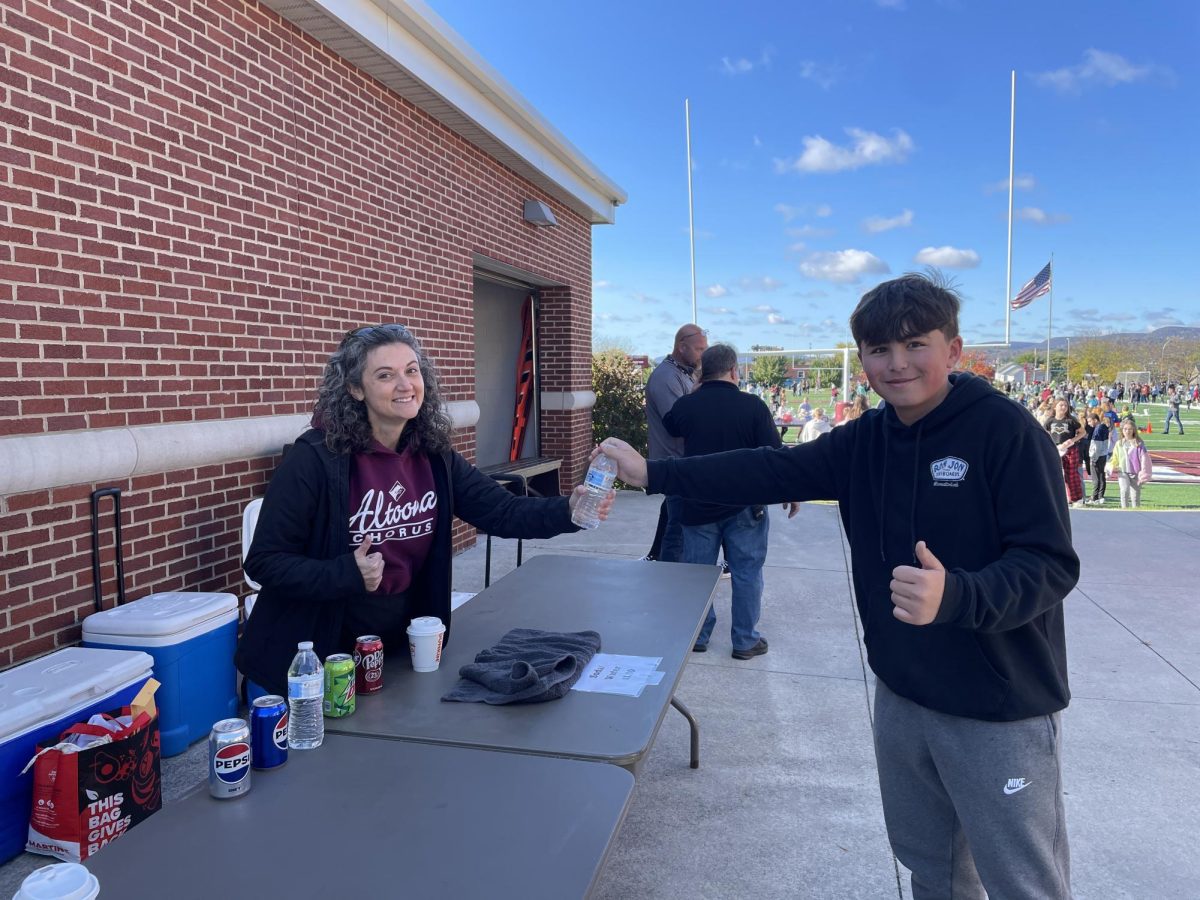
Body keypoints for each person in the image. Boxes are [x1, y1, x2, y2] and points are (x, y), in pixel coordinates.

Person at [596, 273, 1079, 900]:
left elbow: (1050, 564)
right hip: (903, 693)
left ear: (954, 350)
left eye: (915, 346)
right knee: (932, 867)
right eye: (879, 350)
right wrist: (654, 471)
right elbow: (768, 467)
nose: (897, 363)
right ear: (863, 360)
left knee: (1022, 880)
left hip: (998, 705)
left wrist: (957, 596)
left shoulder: (1006, 432)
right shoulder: (867, 440)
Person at [236, 324, 612, 697]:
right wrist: (346, 572)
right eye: (385, 375)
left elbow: (502, 510)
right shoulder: (315, 458)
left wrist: (569, 510)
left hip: (401, 646)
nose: (405, 385)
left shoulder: (432, 454)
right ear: (354, 388)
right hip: (317, 656)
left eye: (412, 370)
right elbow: (265, 561)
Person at [663, 343, 798, 659]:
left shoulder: (688, 405)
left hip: (698, 504)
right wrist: (790, 492)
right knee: (747, 572)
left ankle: (699, 635)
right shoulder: (753, 406)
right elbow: (776, 456)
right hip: (745, 506)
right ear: (735, 371)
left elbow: (670, 424)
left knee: (698, 575)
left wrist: (695, 390)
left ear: (702, 373)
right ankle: (745, 640)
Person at [642, 325, 708, 563]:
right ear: (682, 347)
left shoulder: (683, 373)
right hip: (674, 461)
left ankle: (656, 556)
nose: (704, 354)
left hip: (680, 460)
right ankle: (668, 570)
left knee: (672, 511)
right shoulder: (666, 377)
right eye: (700, 349)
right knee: (678, 528)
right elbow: (676, 424)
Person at [1044, 398, 1086, 507]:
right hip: (1055, 449)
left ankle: (1077, 499)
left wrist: (1072, 441)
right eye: (1061, 405)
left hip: (1070, 450)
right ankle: (1056, 499)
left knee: (1071, 475)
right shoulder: (1050, 421)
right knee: (1054, 474)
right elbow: (1044, 433)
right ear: (1055, 407)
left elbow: (1083, 432)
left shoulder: (1071, 420)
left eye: (1065, 406)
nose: (1063, 407)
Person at [1107, 418, 1152, 508]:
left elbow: (1144, 459)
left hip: (1136, 473)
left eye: (1130, 429)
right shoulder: (1119, 443)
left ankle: (1136, 513)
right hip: (1123, 471)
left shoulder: (1139, 444)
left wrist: (1144, 472)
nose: (1127, 431)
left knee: (1135, 496)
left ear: (1134, 430)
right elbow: (1115, 458)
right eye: (1125, 429)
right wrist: (1110, 466)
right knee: (1124, 491)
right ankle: (1124, 511)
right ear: (1122, 430)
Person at [1086, 413, 1110, 505]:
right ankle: (1100, 496)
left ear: (1095, 420)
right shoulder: (1103, 427)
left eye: (1089, 421)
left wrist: (1094, 458)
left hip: (1098, 455)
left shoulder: (1098, 428)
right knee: (1101, 476)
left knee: (1096, 478)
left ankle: (1095, 497)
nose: (1088, 423)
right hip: (1103, 455)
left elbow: (1097, 445)